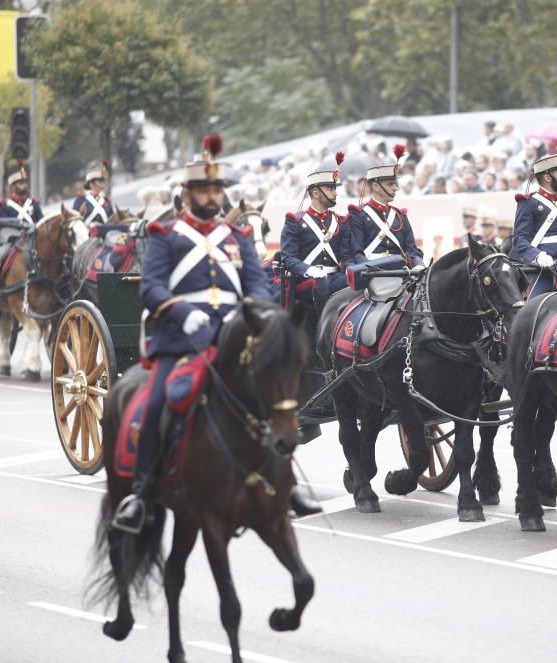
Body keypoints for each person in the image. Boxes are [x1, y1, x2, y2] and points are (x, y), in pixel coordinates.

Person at [112, 135, 318, 533]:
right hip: (181, 339)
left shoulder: (238, 238)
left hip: (232, 337)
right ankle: (140, 492)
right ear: (187, 194)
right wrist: (179, 309)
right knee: (158, 404)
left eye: (216, 189)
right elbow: (151, 287)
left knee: (273, 401)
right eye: (202, 189)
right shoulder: (164, 235)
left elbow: (257, 285)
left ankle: (285, 484)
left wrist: (256, 315)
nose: (210, 196)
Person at [510, 133, 557, 297]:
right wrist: (537, 256)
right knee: (531, 310)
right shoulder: (528, 203)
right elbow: (520, 239)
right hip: (543, 271)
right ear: (547, 177)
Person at [279, 152, 349, 304]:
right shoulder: (295, 221)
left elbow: (346, 255)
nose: (335, 193)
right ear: (316, 194)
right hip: (305, 281)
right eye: (331, 189)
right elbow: (288, 258)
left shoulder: (340, 221)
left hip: (334, 277)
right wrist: (309, 270)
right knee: (320, 283)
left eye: (335, 189)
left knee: (355, 282)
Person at [347, 144, 425, 268]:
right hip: (372, 271)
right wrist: (370, 270)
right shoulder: (358, 214)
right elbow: (357, 253)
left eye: (395, 184)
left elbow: (412, 251)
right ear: (376, 187)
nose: (396, 188)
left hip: (400, 271)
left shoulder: (400, 215)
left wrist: (420, 266)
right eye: (390, 184)